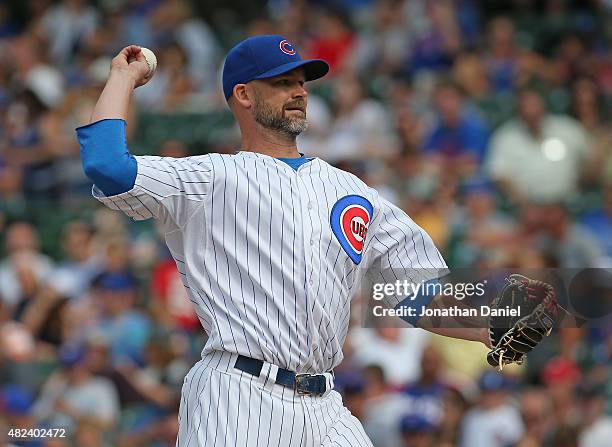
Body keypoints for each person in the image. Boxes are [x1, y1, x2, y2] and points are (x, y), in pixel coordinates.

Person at [76, 35, 494, 446]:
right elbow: (107, 165)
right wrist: (121, 77)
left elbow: (418, 290)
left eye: (300, 82)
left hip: (326, 404)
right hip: (237, 396)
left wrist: (493, 325)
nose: (297, 92)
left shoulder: (352, 191)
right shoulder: (209, 178)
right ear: (243, 94)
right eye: (281, 83)